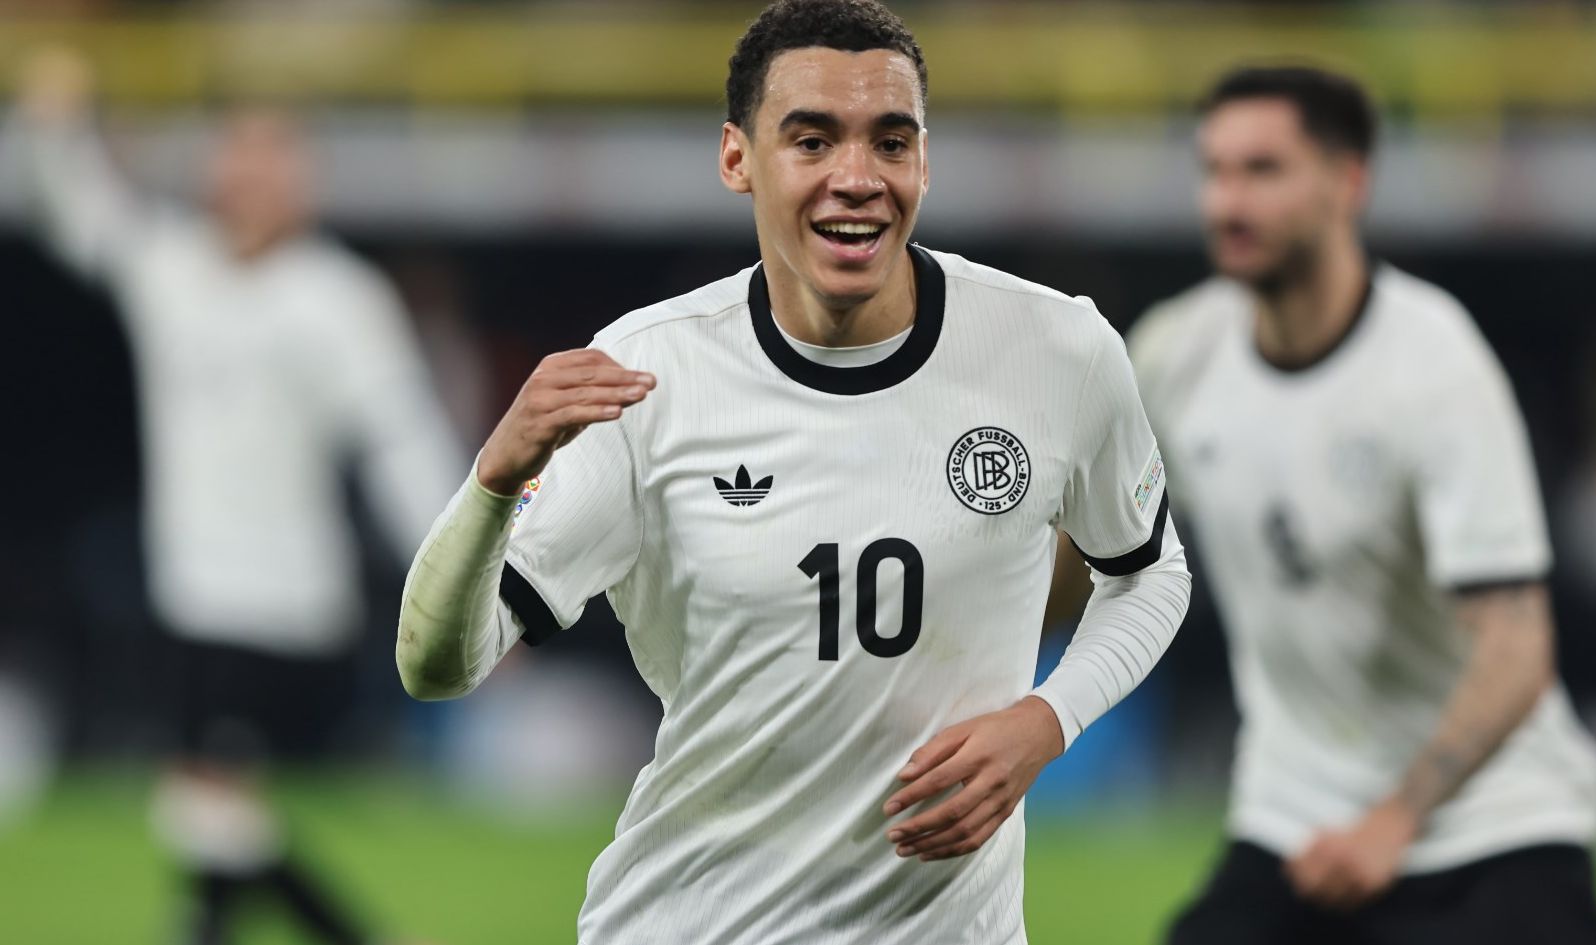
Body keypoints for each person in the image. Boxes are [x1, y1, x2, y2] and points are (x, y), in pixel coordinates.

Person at [396, 1, 1191, 942]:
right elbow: (437, 666)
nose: (857, 177)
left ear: (924, 162)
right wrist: (493, 482)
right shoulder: (647, 375)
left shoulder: (1056, 349)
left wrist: (1047, 720)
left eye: (890, 142)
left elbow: (1150, 573)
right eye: (812, 141)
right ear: (738, 159)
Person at [1120, 65, 1596, 945]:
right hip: (1293, 818)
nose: (1227, 201)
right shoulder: (1173, 354)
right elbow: (1095, 557)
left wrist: (1395, 819)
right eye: (1214, 170)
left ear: (1348, 183)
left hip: (1488, 826)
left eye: (1262, 170)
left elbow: (1515, 643)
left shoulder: (1433, 365)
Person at [12, 49, 461, 945]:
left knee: (205, 806)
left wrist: (469, 569)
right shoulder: (171, 270)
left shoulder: (338, 298)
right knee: (211, 824)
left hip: (287, 605)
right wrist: (52, 118)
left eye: (274, 155)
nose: (254, 173)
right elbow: (78, 207)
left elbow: (404, 442)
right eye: (240, 151)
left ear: (303, 177)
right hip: (191, 596)